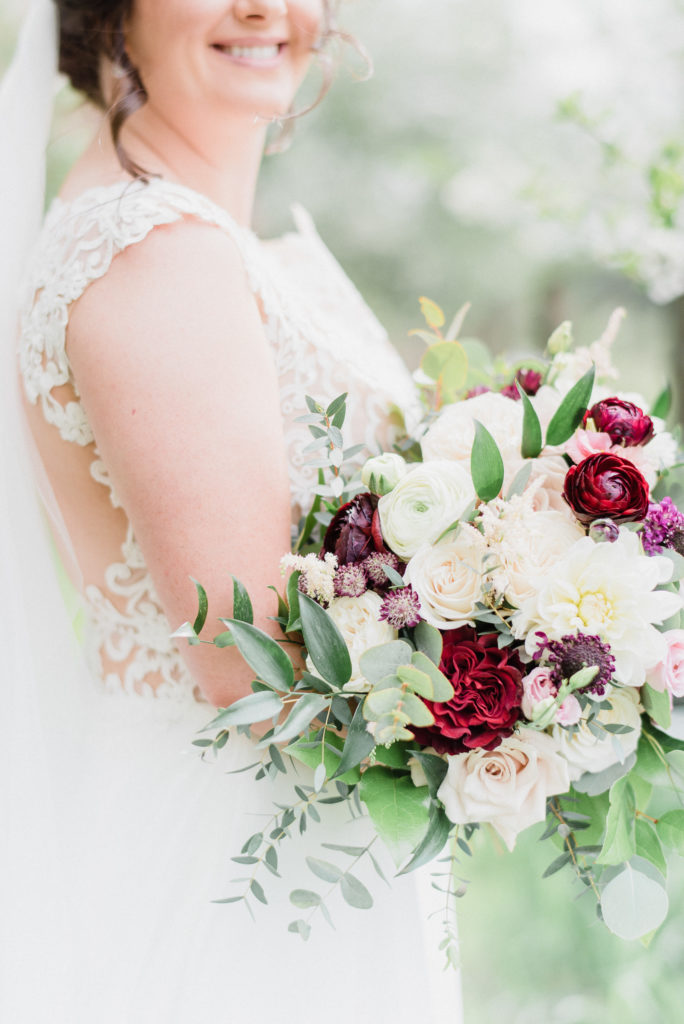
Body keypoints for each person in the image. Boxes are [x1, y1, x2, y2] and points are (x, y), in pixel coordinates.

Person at [1, 1, 463, 1021]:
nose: (266, 8)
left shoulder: (204, 235)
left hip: (295, 846)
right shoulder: (151, 250)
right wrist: (523, 646)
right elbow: (246, 657)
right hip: (236, 874)